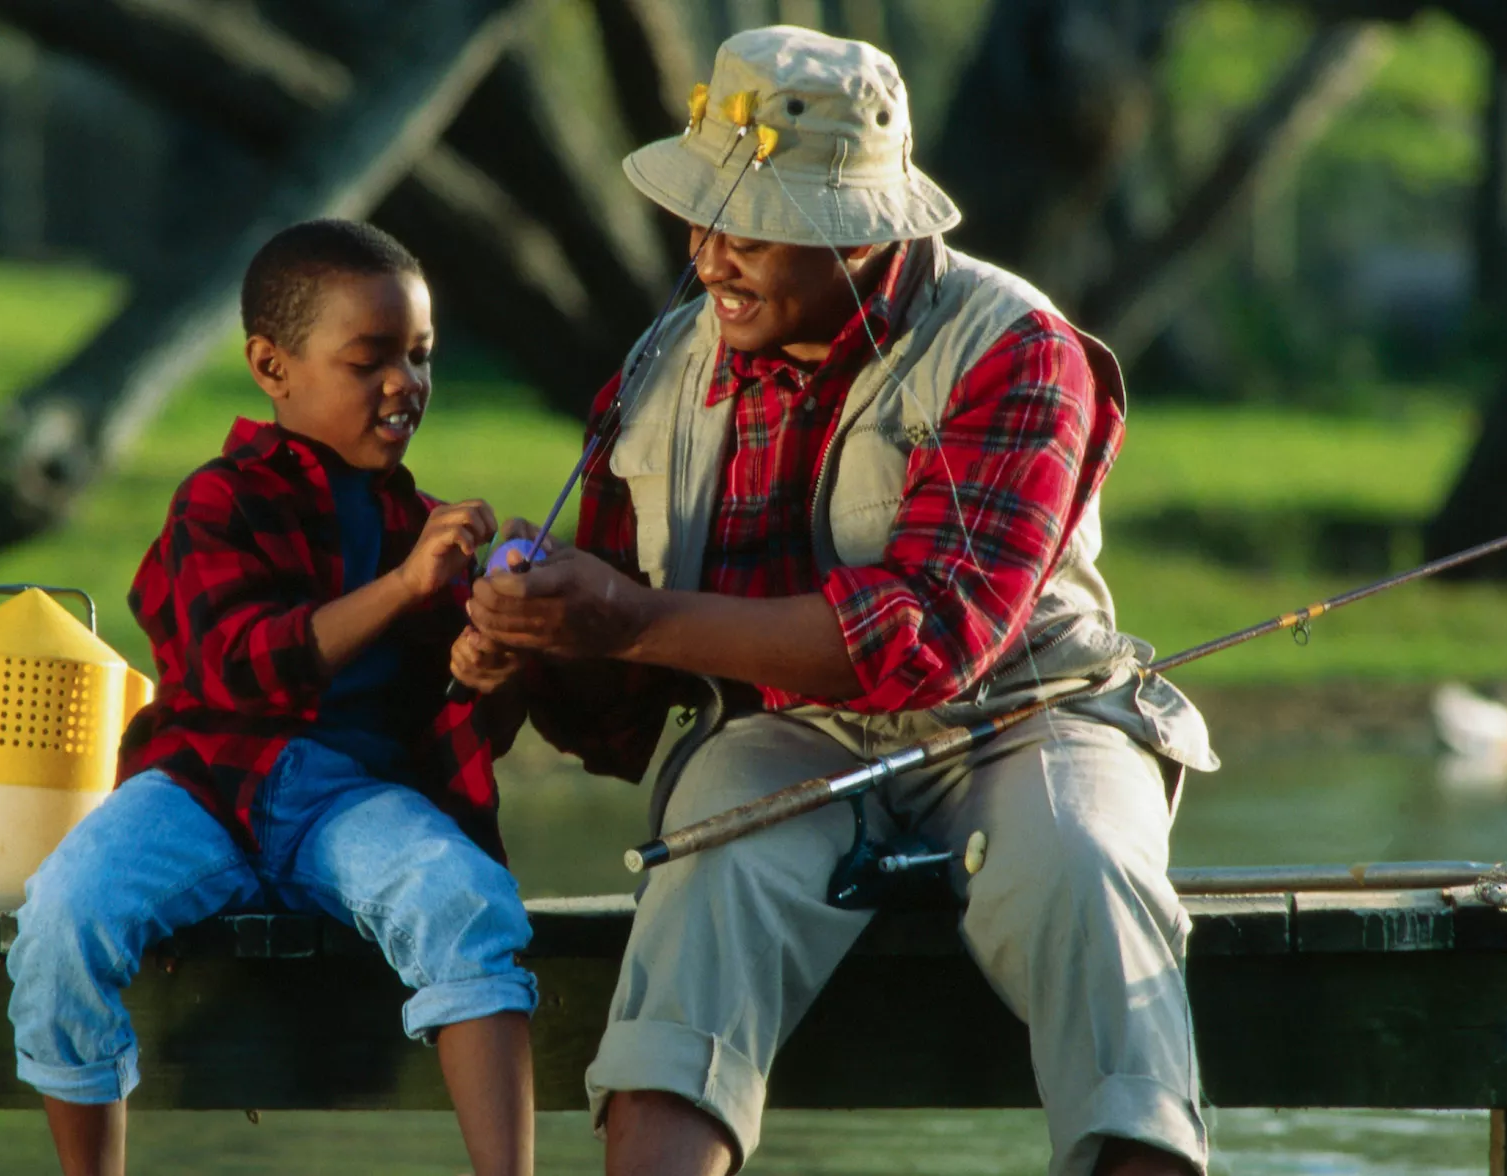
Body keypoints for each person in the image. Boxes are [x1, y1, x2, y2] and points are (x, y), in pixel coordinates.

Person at [468, 26, 1219, 1176]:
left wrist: (623, 613)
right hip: (780, 732)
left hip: (1032, 716)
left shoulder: (1016, 350)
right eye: (700, 217)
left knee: (1083, 874)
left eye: (751, 226)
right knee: (705, 876)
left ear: (862, 230)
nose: (710, 255)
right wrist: (527, 635)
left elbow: (930, 642)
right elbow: (619, 710)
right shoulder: (655, 373)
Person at [6, 219, 538, 1176]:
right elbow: (237, 670)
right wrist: (404, 589)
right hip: (206, 788)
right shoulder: (220, 500)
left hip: (354, 802)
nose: (402, 385)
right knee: (63, 916)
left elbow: (458, 730)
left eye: (419, 357)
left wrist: (495, 662)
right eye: (368, 359)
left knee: (467, 902)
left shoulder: (421, 530)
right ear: (272, 365)